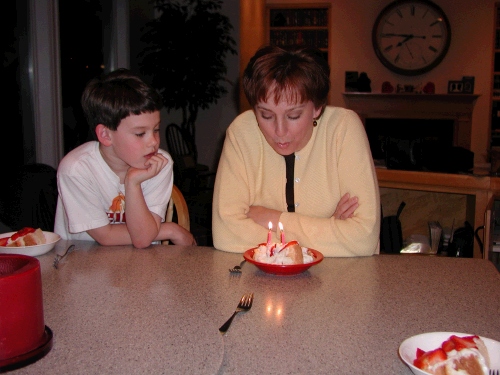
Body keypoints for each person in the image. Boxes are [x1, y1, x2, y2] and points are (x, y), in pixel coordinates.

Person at [212, 45, 380, 257]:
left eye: (293, 116)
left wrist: (274, 219)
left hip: (342, 279)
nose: (280, 131)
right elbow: (225, 234)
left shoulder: (343, 128)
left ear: (317, 107)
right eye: (265, 115)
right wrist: (329, 229)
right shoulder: (242, 132)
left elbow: (363, 238)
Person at [54, 68, 196, 248]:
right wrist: (169, 229)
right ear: (105, 135)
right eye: (139, 133)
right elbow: (107, 237)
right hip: (86, 266)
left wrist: (132, 183)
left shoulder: (160, 162)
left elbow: (142, 238)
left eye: (156, 129)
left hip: (143, 263)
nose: (153, 142)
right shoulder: (76, 169)